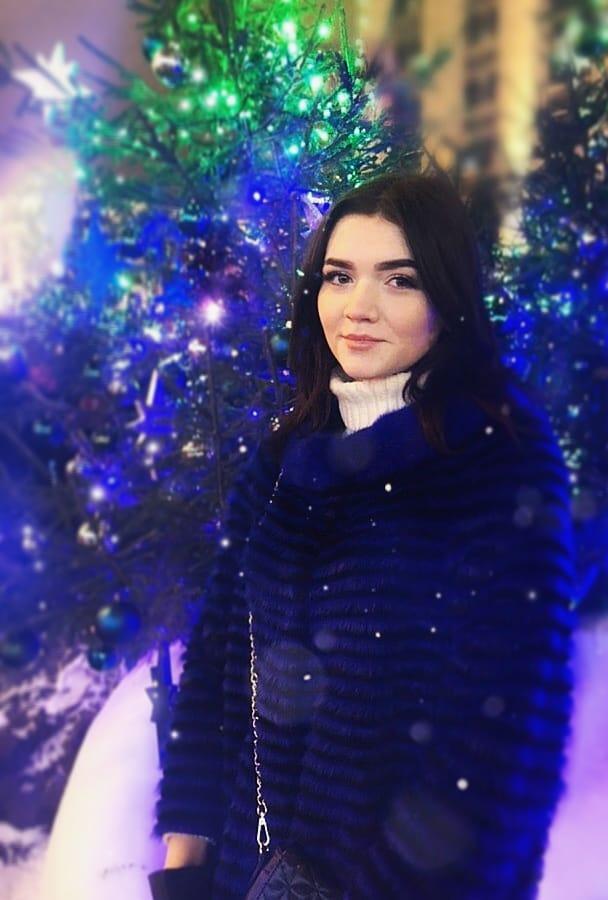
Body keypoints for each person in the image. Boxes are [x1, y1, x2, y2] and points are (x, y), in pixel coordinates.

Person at [149, 169, 578, 899]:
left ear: (448, 297)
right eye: (339, 276)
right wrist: (184, 863)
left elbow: (501, 744)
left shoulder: (497, 460)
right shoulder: (286, 456)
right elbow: (220, 659)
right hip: (246, 876)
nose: (358, 308)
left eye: (400, 280)